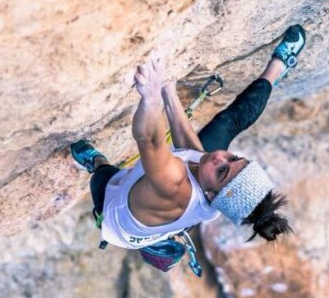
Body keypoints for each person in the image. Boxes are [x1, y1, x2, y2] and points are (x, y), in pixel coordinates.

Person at [69, 25, 305, 270]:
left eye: (222, 171)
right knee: (229, 123)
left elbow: (150, 140)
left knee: (103, 175)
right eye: (233, 158)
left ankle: (95, 163)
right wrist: (168, 89)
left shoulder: (174, 182)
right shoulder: (215, 191)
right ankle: (279, 65)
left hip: (117, 219)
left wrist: (151, 97)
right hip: (179, 203)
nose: (219, 158)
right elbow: (187, 143)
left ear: (211, 196)